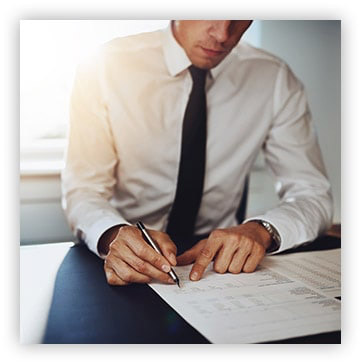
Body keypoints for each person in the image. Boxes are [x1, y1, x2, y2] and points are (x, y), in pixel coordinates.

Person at [62, 20, 333, 286]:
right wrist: (111, 234)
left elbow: (313, 194)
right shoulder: (104, 67)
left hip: (219, 270)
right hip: (123, 256)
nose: (223, 34)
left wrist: (263, 230)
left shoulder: (274, 79)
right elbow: (84, 190)